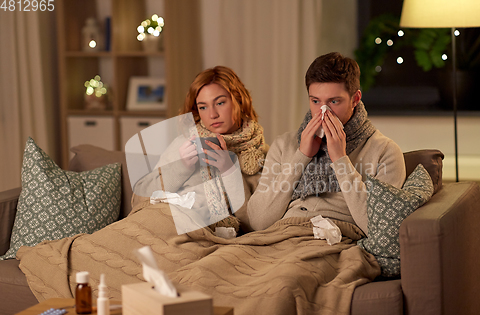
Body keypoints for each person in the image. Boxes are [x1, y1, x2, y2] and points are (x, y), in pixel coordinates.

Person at [247, 52, 406, 234]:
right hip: (281, 236)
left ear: (355, 99)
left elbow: (378, 229)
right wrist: (301, 156)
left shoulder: (385, 151)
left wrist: (340, 159)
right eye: (315, 101)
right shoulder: (284, 145)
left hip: (336, 240)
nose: (323, 111)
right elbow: (257, 222)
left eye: (334, 101)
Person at [132, 66, 268, 233]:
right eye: (203, 107)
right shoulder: (185, 143)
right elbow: (140, 199)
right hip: (164, 224)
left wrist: (229, 170)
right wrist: (182, 167)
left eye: (220, 103)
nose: (212, 114)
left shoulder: (258, 155)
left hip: (203, 236)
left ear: (239, 101)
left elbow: (253, 223)